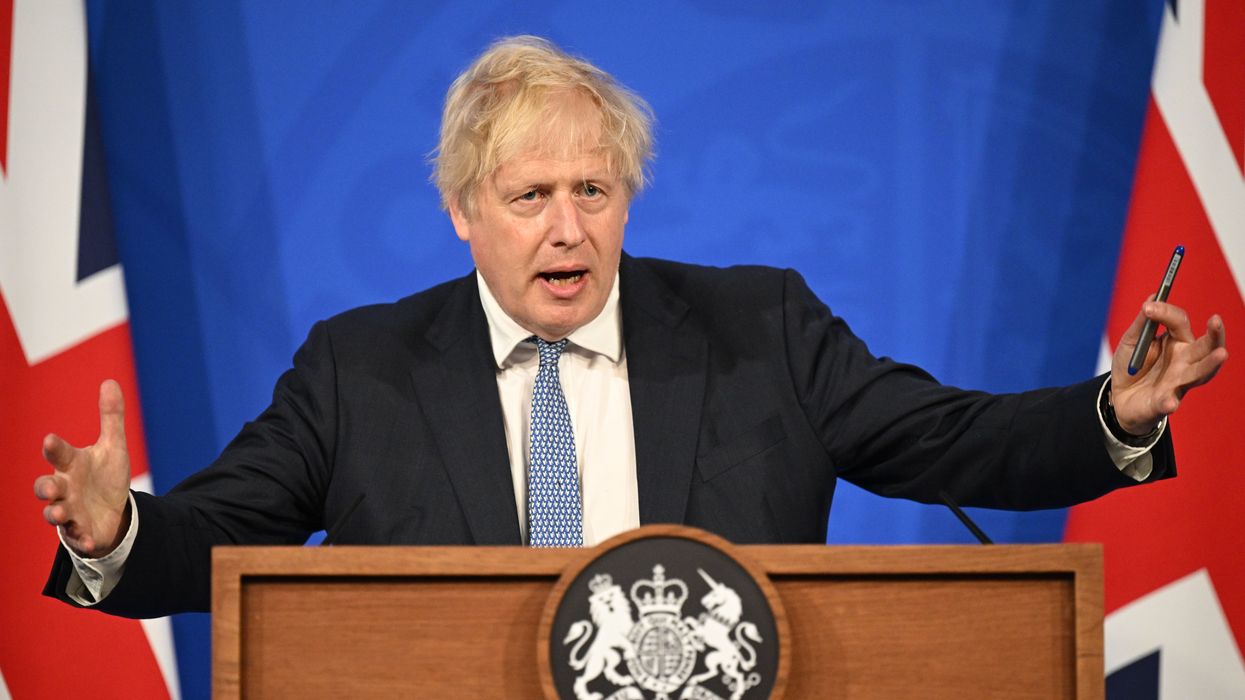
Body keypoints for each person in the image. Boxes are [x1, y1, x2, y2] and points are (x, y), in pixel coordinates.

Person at [35, 36, 1227, 618]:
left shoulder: (761, 328)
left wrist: (1111, 413)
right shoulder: (361, 369)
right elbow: (221, 535)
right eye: (528, 196)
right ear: (462, 212)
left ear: (628, 197)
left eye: (592, 192)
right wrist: (113, 532)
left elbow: (952, 442)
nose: (567, 229)